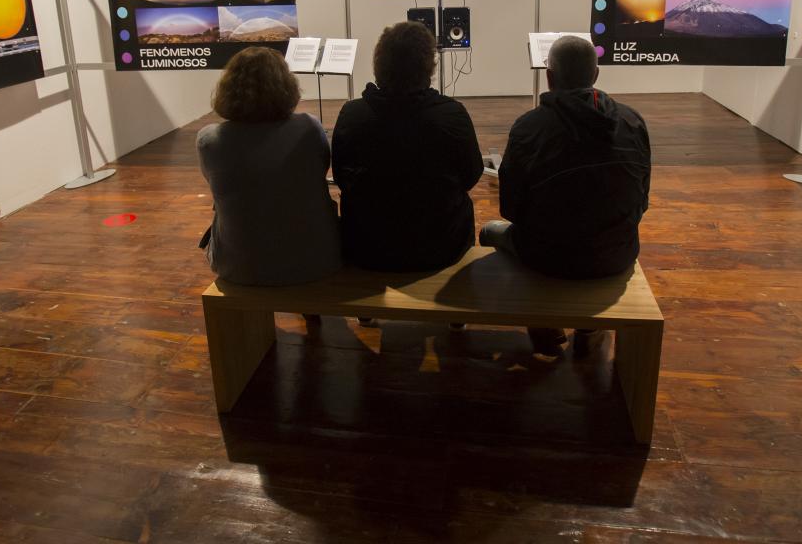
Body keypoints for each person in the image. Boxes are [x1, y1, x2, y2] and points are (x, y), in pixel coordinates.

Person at [480, 36, 652, 355]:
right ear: (596, 75)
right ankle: (589, 328)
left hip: (547, 256)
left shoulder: (529, 127)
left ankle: (542, 322)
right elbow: (641, 201)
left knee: (490, 232)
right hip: (617, 253)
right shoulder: (632, 121)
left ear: (549, 77)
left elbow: (511, 209)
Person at [332, 21, 484, 279]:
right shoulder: (452, 115)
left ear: (379, 65)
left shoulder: (352, 114)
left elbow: (341, 177)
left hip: (368, 249)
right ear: (428, 67)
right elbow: (471, 175)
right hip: (441, 248)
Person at [197, 46, 342, 287]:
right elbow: (320, 170)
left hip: (240, 268)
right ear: (286, 84)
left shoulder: (210, 140)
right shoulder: (309, 127)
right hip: (318, 259)